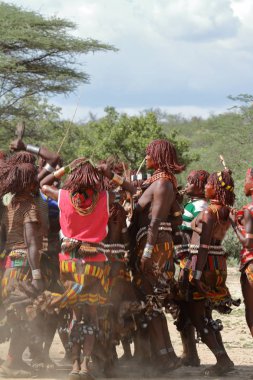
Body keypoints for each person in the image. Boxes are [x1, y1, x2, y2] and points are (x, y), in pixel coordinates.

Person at [100, 139, 184, 374]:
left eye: (149, 154)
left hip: (153, 248)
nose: (145, 157)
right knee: (151, 304)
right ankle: (165, 356)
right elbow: (135, 191)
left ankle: (165, 359)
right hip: (149, 245)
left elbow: (156, 221)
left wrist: (146, 252)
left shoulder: (164, 184)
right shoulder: (158, 183)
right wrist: (111, 176)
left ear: (159, 156)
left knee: (151, 304)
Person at [40, 158, 111, 380]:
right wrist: (105, 173)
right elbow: (127, 187)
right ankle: (87, 367)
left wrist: (66, 167)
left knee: (73, 314)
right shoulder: (105, 197)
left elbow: (43, 183)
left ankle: (74, 366)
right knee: (90, 314)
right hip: (95, 261)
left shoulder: (63, 196)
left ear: (73, 177)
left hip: (69, 260)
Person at [186, 169, 237, 376]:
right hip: (219, 265)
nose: (205, 187)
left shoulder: (209, 212)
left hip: (204, 266)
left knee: (198, 316)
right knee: (205, 313)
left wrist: (196, 275)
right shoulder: (226, 211)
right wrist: (197, 227)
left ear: (215, 188)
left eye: (208, 183)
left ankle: (222, 360)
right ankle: (224, 358)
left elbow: (204, 246)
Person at [0, 159, 44, 378]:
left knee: (19, 317)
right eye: (33, 177)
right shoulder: (29, 206)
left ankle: (14, 361)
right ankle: (11, 364)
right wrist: (37, 275)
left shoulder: (9, 202)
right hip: (24, 267)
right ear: (28, 182)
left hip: (10, 267)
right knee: (29, 315)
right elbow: (32, 244)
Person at [175, 170, 209, 367]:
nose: (186, 186)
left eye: (190, 182)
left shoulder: (196, 206)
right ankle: (190, 353)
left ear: (199, 185)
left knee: (186, 305)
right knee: (188, 307)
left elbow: (186, 226)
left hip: (189, 259)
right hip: (193, 259)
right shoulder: (200, 204)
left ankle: (191, 354)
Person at [230, 168, 253, 338]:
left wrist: (233, 224)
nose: (244, 184)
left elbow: (248, 243)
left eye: (246, 179)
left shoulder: (249, 209)